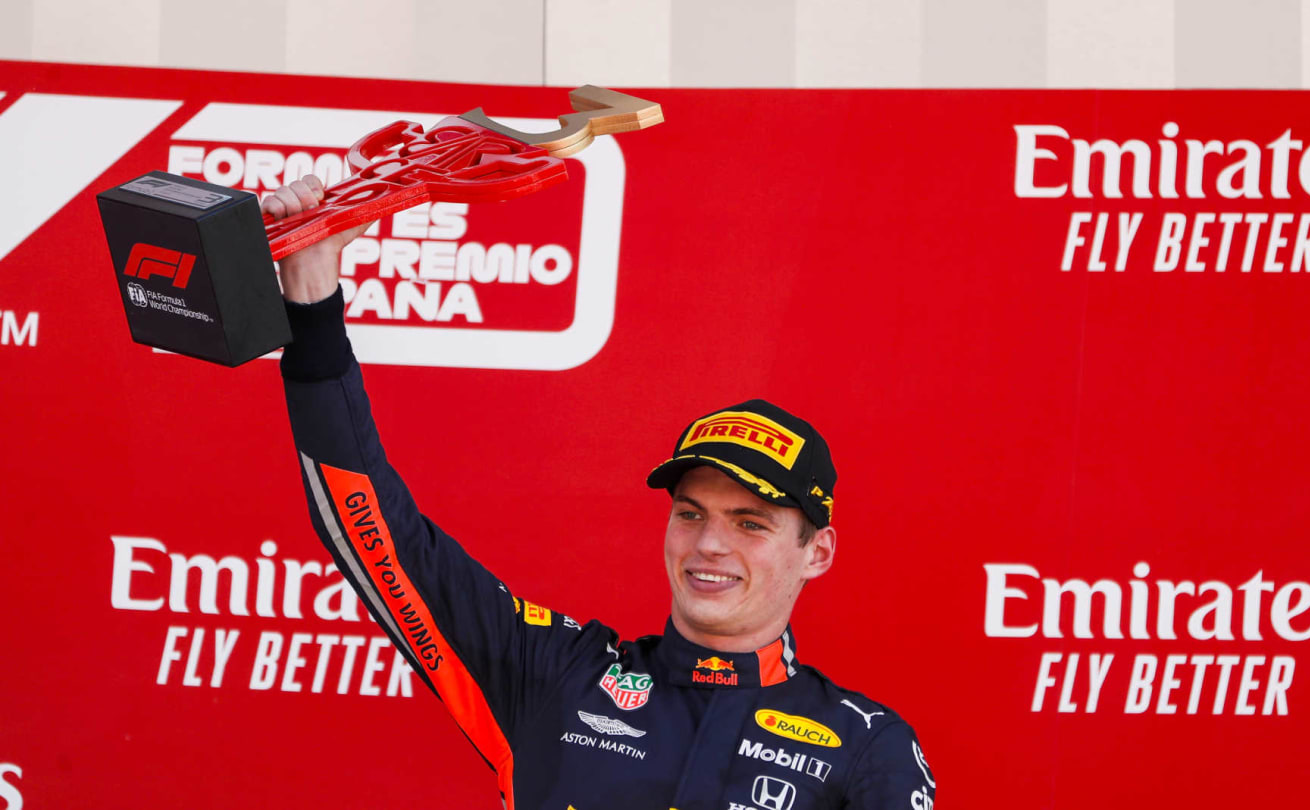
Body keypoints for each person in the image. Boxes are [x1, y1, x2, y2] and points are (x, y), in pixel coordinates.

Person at [265, 176, 937, 809]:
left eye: (750, 523)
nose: (708, 543)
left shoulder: (867, 747)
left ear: (816, 552)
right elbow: (374, 532)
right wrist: (312, 299)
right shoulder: (554, 676)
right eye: (690, 513)